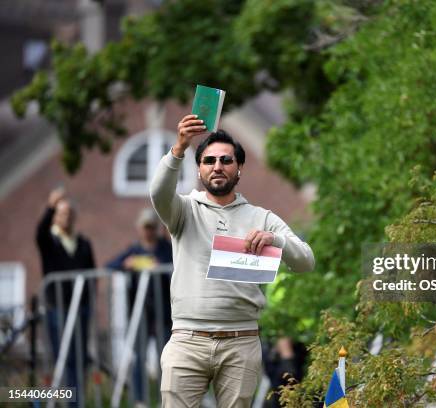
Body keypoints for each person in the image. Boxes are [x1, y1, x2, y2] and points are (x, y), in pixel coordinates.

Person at [150, 115, 315, 408]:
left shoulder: (261, 217)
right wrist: (178, 149)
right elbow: (159, 194)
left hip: (242, 341)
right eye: (209, 160)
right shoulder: (184, 210)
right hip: (187, 339)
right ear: (199, 169)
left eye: (226, 160)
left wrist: (275, 240)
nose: (217, 166)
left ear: (239, 168)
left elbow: (306, 261)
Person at [106, 207, 173, 406]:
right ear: (139, 228)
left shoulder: (166, 248)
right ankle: (140, 401)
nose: (149, 231)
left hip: (164, 314)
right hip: (140, 314)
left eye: (152, 227)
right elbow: (110, 265)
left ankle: (167, 400)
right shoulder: (134, 249)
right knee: (139, 360)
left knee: (167, 360)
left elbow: (179, 262)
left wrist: (158, 265)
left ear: (157, 228)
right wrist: (129, 263)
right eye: (145, 227)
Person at [36, 188, 95, 406]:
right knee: (63, 359)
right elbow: (39, 234)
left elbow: (91, 274)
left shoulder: (83, 242)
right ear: (55, 216)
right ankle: (60, 401)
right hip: (57, 308)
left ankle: (76, 403)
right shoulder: (50, 240)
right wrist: (50, 206)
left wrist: (89, 302)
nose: (66, 217)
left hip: (80, 309)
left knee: (79, 360)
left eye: (69, 213)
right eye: (61, 213)